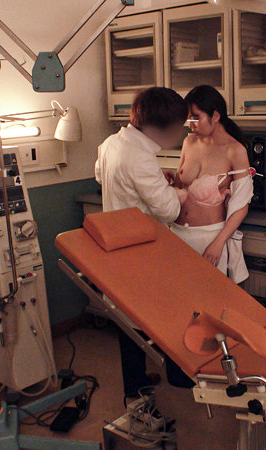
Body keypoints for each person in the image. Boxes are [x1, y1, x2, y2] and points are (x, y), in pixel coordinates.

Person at [94, 87, 193, 399]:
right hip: (138, 251)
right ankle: (172, 378)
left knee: (127, 319)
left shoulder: (112, 143)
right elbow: (170, 210)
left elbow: (100, 176)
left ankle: (135, 381)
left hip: (116, 246)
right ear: (161, 129)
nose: (179, 135)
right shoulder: (140, 157)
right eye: (178, 128)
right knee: (163, 314)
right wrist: (179, 193)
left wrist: (153, 180)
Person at [169, 85, 252, 283]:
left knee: (209, 297)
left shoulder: (235, 151)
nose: (191, 125)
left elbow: (242, 205)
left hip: (209, 239)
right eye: (189, 119)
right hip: (177, 235)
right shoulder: (189, 143)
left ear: (215, 116)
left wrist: (218, 243)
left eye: (196, 118)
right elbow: (179, 186)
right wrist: (167, 183)